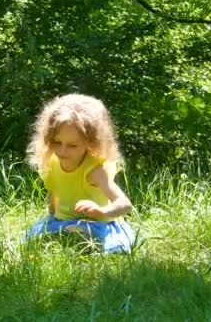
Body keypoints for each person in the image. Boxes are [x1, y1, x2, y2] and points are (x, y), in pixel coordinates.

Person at [24, 93, 135, 253]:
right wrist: (52, 216)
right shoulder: (51, 163)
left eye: (72, 145)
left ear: (91, 143)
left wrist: (102, 211)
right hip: (63, 221)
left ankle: (79, 240)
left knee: (84, 232)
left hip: (97, 225)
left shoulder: (94, 169)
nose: (62, 150)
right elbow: (54, 198)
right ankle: (64, 236)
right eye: (57, 142)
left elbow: (125, 205)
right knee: (35, 238)